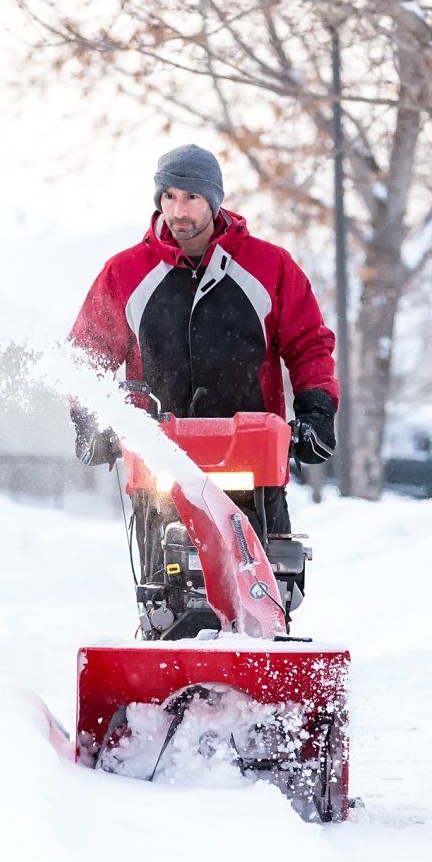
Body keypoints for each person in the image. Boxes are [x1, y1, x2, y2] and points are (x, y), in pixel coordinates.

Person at [67, 143, 339, 557]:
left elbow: (309, 344)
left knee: (265, 579)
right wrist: (89, 419)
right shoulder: (125, 273)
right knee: (165, 589)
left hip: (252, 459)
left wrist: (317, 412)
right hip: (161, 458)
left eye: (192, 197)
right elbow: (86, 355)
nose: (179, 211)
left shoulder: (270, 267)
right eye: (169, 197)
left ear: (213, 201)